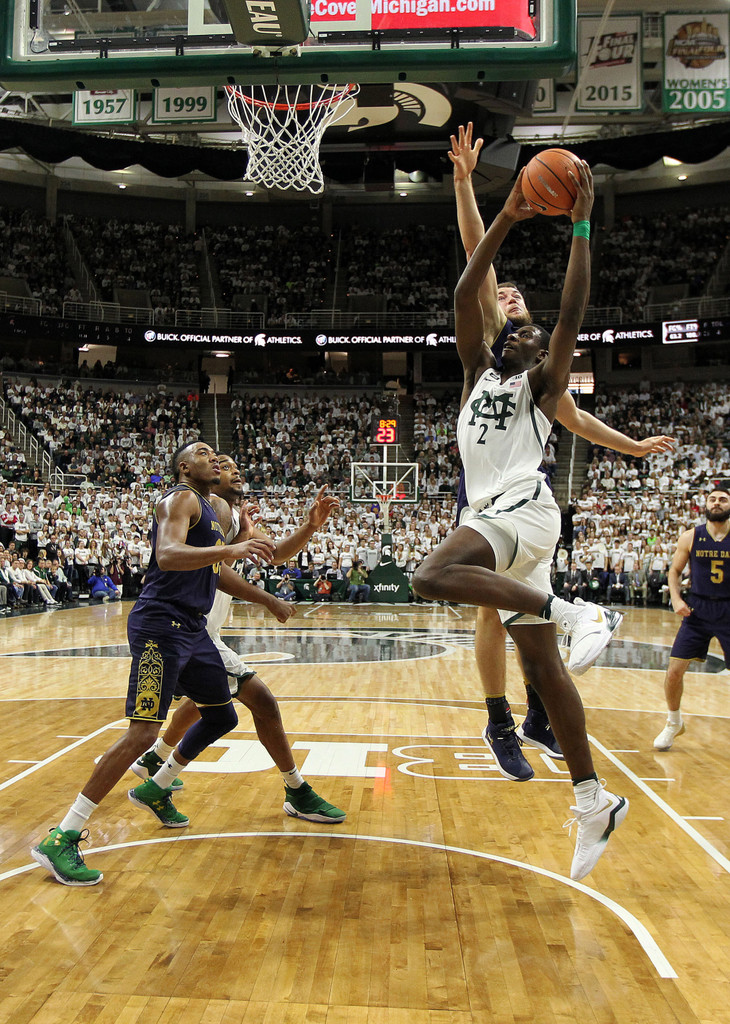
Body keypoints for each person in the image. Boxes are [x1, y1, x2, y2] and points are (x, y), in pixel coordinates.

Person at [412, 161, 627, 880]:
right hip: (496, 517)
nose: (518, 334)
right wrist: (504, 211)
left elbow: (570, 312)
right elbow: (466, 289)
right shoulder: (477, 368)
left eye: (530, 334)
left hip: (523, 512)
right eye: (512, 331)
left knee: (431, 576)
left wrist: (580, 228)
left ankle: (577, 611)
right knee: (542, 666)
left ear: (542, 353)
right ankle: (593, 799)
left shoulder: (542, 386)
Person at [450, 123, 675, 782]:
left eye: (519, 299)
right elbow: (476, 262)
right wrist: (467, 185)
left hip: (523, 495)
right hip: (487, 491)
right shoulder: (486, 343)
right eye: (504, 295)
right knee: (499, 608)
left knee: (521, 614)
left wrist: (632, 445)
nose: (508, 297)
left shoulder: (543, 375)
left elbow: (578, 418)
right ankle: (508, 718)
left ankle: (534, 718)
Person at [31, 441, 277, 886]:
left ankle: (157, 786)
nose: (214, 457)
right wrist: (229, 551)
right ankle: (63, 836)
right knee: (142, 731)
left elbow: (221, 567)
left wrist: (264, 593)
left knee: (221, 715)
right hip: (159, 629)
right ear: (184, 467)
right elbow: (168, 555)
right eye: (203, 452)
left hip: (193, 629)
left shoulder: (210, 509)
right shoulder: (178, 499)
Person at [132, 455, 346, 824]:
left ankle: (157, 763)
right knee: (258, 701)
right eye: (223, 465)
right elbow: (213, 568)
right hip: (186, 624)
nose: (232, 470)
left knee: (212, 702)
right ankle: (296, 789)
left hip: (200, 629)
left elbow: (275, 554)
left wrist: (309, 527)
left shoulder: (225, 512)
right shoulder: (206, 505)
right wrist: (262, 589)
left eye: (231, 465)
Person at [654, 485, 730, 750]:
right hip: (698, 609)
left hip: (728, 609)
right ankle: (674, 722)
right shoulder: (691, 536)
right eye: (713, 499)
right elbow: (674, 572)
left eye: (722, 499)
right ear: (705, 505)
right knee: (674, 672)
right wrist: (676, 599)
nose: (717, 502)